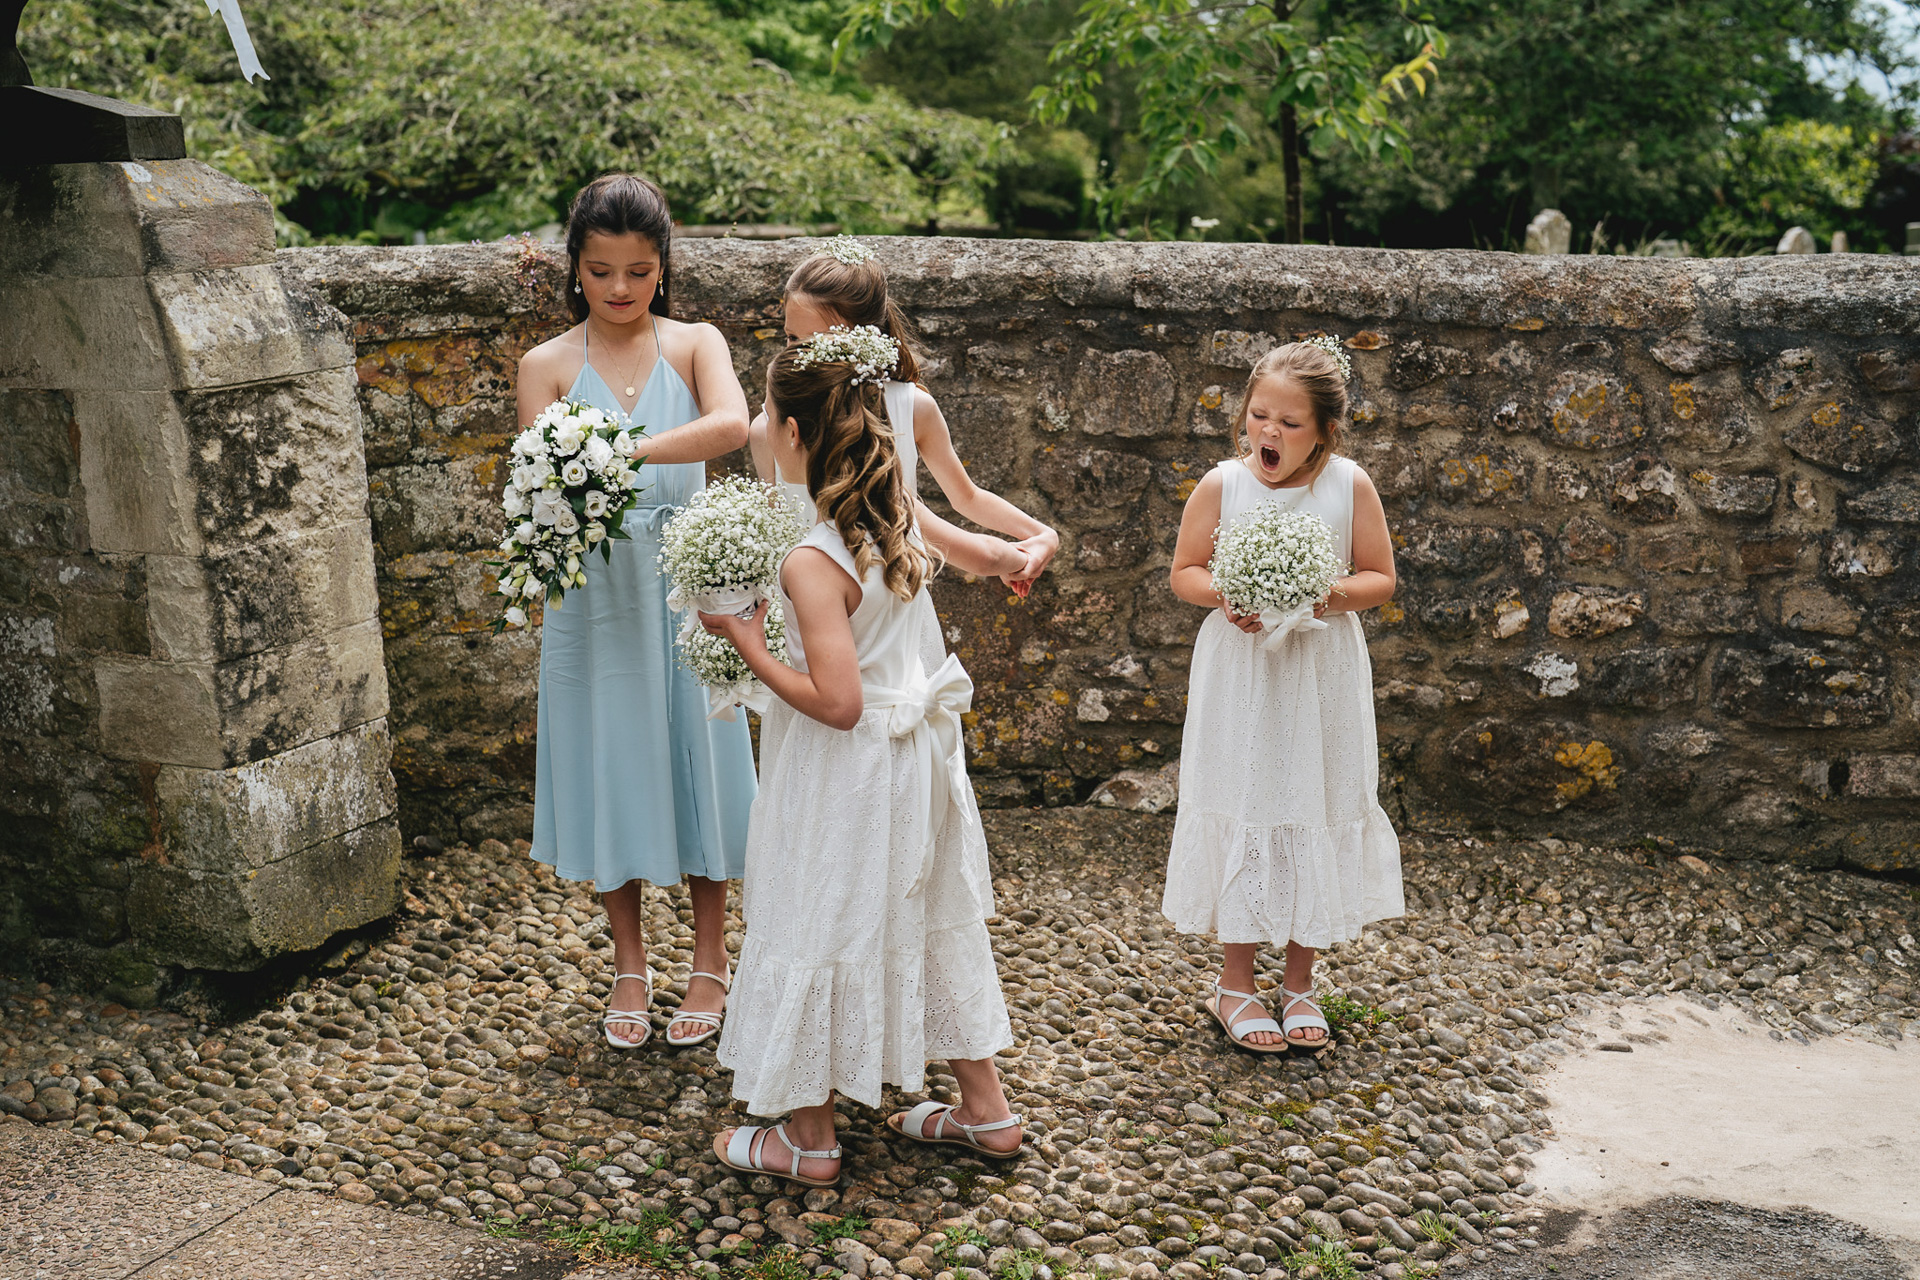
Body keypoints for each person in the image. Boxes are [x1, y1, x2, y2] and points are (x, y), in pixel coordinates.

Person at [699, 329, 1025, 1185]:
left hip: (847, 771)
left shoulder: (812, 557)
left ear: (796, 434)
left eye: (769, 412)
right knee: (926, 917)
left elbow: (837, 704)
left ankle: (808, 1140)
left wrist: (745, 643)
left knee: (816, 914)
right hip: (914, 759)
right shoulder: (888, 520)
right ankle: (986, 1115)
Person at [514, 173, 752, 1050]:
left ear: (664, 268)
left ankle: (709, 959)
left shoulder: (695, 343)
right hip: (594, 590)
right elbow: (541, 493)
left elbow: (731, 424)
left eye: (640, 272)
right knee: (610, 757)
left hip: (689, 580)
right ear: (574, 266)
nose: (621, 289)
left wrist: (617, 451)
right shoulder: (544, 366)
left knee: (704, 759)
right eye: (602, 270)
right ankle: (627, 960)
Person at [1162, 339, 1403, 1052]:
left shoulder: (1350, 485)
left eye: (1290, 423)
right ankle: (1234, 984)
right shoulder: (1222, 485)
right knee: (1246, 799)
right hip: (1243, 674)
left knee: (1314, 799)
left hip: (1319, 671)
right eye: (1259, 415)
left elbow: (1380, 578)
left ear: (1326, 430)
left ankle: (1299, 981)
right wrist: (1228, 595)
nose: (1269, 432)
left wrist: (1325, 594)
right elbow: (1184, 572)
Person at [748, 237, 1059, 607]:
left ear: (866, 339)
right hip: (804, 601)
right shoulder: (771, 430)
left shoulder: (912, 408)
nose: (799, 356)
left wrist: (1040, 534)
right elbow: (772, 533)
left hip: (890, 597)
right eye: (791, 338)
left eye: (817, 343)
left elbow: (967, 496)